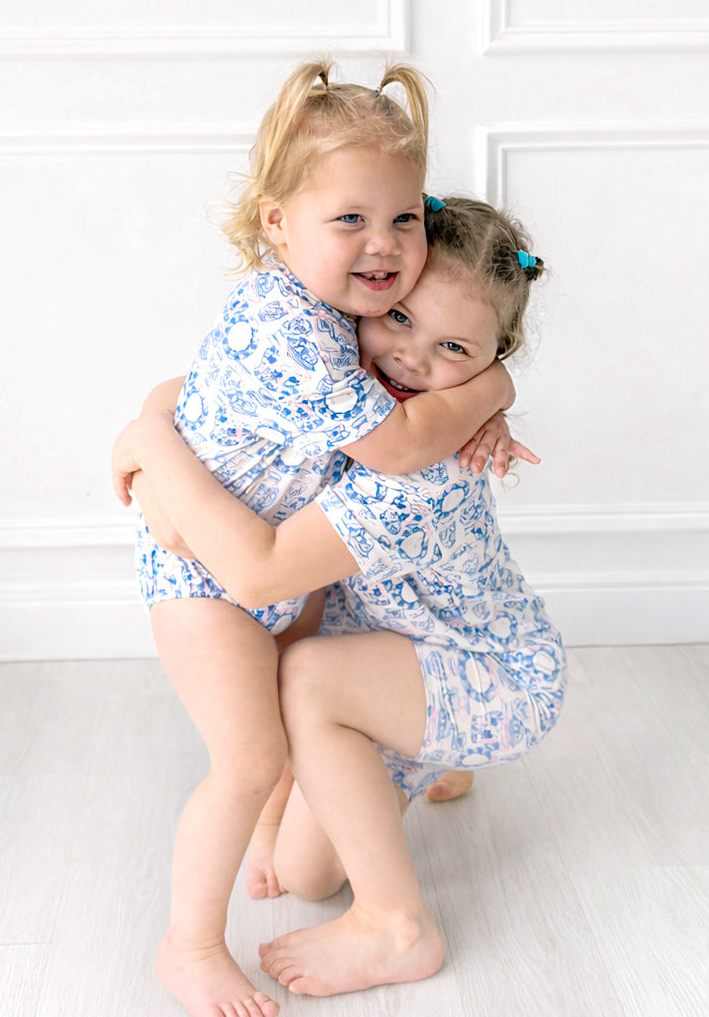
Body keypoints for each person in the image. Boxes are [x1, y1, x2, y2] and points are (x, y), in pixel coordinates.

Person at [125, 61, 519, 1017]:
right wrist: (493, 389)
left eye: (404, 218)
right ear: (276, 223)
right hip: (202, 572)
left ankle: (295, 825)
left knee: (292, 710)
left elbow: (412, 362)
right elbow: (393, 442)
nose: (383, 246)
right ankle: (189, 946)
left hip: (278, 562)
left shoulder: (341, 309)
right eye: (350, 219)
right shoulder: (288, 322)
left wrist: (480, 392)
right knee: (249, 755)